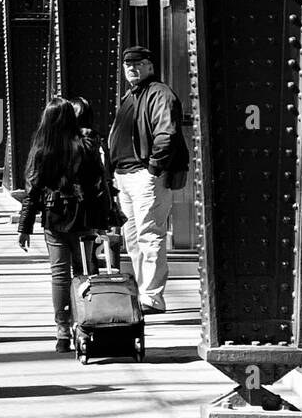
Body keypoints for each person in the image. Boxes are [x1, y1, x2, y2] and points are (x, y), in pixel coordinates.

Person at [18, 98, 115, 351]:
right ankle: (87, 323)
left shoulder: (41, 148)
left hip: (54, 218)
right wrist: (104, 219)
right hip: (82, 218)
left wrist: (25, 226)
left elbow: (33, 190)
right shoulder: (84, 145)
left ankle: (62, 332)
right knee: (84, 272)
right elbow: (98, 185)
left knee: (59, 275)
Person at [106, 46, 188, 314]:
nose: (131, 67)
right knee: (133, 238)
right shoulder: (131, 95)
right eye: (127, 64)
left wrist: (154, 167)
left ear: (150, 66)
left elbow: (167, 133)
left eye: (138, 63)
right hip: (126, 176)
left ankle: (152, 296)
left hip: (145, 175)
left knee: (149, 234)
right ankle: (144, 293)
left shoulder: (159, 94)